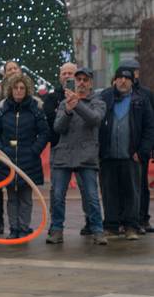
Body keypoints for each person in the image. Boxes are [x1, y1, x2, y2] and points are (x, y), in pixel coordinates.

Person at [46, 67, 107, 245]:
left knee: (92, 196)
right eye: (78, 79)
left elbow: (95, 119)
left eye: (84, 80)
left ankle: (97, 230)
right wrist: (67, 110)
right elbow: (58, 128)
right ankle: (56, 230)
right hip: (64, 154)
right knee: (57, 196)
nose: (81, 83)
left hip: (86, 155)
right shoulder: (65, 104)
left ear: (90, 83)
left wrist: (77, 104)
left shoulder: (98, 101)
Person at [0, 74, 49, 239]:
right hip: (7, 160)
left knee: (26, 197)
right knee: (12, 197)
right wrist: (2, 151)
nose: (19, 91)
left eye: (22, 88)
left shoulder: (35, 108)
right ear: (11, 89)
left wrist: (34, 150)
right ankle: (14, 228)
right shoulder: (2, 110)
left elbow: (44, 133)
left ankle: (23, 227)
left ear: (27, 89)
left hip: (28, 160)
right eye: (16, 88)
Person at [98, 66, 154, 240]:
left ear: (132, 81)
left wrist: (142, 151)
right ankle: (112, 225)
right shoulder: (105, 97)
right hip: (108, 155)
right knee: (109, 192)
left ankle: (131, 226)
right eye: (120, 77)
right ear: (115, 79)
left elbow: (149, 128)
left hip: (132, 156)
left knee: (132, 192)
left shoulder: (141, 100)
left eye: (127, 78)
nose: (123, 81)